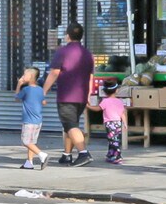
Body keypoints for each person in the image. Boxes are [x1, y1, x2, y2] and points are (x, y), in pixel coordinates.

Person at [43, 22, 94, 167]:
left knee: (70, 125)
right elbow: (91, 76)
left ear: (67, 36)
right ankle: (67, 155)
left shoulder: (63, 52)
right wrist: (89, 94)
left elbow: (54, 73)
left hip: (67, 95)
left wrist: (43, 91)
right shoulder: (87, 54)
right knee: (71, 125)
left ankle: (83, 153)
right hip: (82, 95)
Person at [16, 67, 47, 170]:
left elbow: (17, 98)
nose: (22, 77)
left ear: (31, 77)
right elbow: (44, 102)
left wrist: (19, 84)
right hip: (38, 120)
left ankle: (42, 155)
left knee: (26, 141)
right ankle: (29, 162)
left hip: (29, 120)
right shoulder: (40, 89)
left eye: (24, 75)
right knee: (32, 142)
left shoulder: (26, 89)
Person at [98, 80, 129, 166]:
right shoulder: (119, 101)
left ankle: (117, 156)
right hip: (117, 123)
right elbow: (122, 113)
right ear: (116, 90)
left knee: (112, 140)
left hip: (109, 123)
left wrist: (88, 106)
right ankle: (110, 155)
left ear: (105, 91)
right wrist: (125, 123)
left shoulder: (105, 101)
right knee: (115, 139)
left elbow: (98, 108)